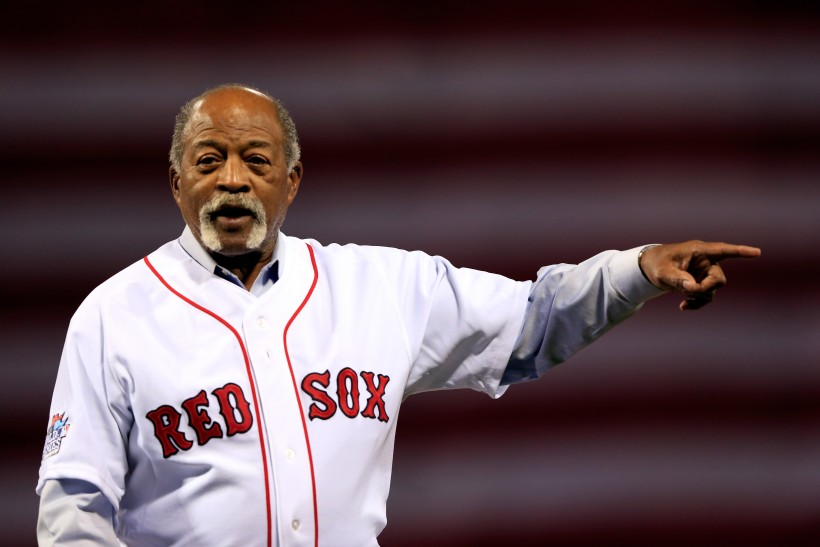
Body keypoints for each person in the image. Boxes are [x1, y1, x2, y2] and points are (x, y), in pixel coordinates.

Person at [36, 83, 761, 547]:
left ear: (292, 181)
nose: (232, 179)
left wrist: (633, 272)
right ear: (175, 182)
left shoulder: (377, 286)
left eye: (255, 159)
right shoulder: (113, 316)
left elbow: (534, 318)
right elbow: (74, 506)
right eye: (208, 159)